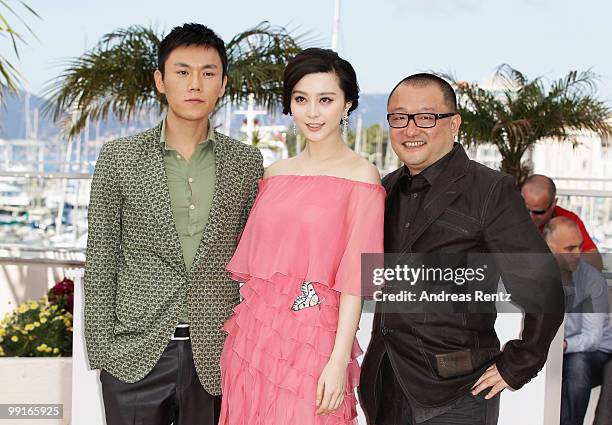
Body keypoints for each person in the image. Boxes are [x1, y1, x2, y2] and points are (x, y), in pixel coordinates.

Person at [359, 73, 565, 425]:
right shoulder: (385, 189)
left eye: (425, 117)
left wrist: (518, 364)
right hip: (386, 386)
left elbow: (543, 285)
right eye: (398, 118)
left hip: (457, 394)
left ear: (453, 124)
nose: (410, 130)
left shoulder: (489, 190)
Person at [83, 23, 263, 425]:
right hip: (133, 359)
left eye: (208, 73)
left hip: (214, 356)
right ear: (160, 81)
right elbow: (100, 260)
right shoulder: (119, 158)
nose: (195, 83)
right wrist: (104, 353)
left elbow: (252, 260)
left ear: (223, 84)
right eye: (182, 72)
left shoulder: (246, 163)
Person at [218, 47, 384, 425]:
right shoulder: (275, 173)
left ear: (347, 105)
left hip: (316, 339)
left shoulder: (362, 177)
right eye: (301, 99)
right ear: (289, 105)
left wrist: (339, 359)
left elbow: (355, 280)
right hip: (254, 336)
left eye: (325, 100)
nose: (312, 112)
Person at [543, 217, 612, 425]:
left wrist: (561, 346)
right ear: (548, 248)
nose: (578, 254)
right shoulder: (535, 276)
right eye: (569, 248)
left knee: (577, 364)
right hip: (557, 347)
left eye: (579, 246)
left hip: (598, 350)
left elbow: (592, 338)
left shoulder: (591, 279)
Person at [521, 174, 603, 271]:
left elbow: (595, 261)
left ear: (553, 204)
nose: (530, 216)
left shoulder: (568, 220)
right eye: (525, 209)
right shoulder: (508, 217)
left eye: (539, 212)